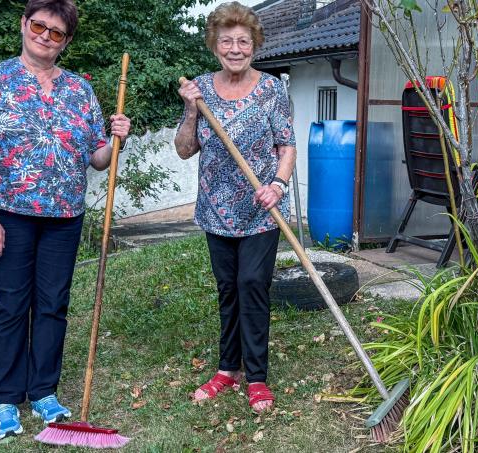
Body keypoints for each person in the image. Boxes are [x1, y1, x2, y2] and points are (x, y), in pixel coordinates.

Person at [0, 0, 130, 440]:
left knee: (52, 306)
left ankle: (43, 392)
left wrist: (116, 141)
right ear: (24, 24)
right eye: (39, 26)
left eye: (57, 33)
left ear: (66, 41)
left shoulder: (79, 91)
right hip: (10, 216)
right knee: (12, 306)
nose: (45, 37)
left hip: (64, 217)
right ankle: (5, 398)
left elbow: (97, 159)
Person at [175, 1, 296, 414]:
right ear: (215, 45)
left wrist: (278, 185)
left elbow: (287, 145)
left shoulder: (272, 90)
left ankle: (257, 376)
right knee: (228, 289)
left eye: (243, 41)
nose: (235, 48)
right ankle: (229, 369)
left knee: (251, 285)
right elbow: (185, 150)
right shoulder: (202, 90)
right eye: (226, 41)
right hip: (215, 209)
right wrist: (191, 109)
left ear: (254, 45)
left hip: (262, 207)